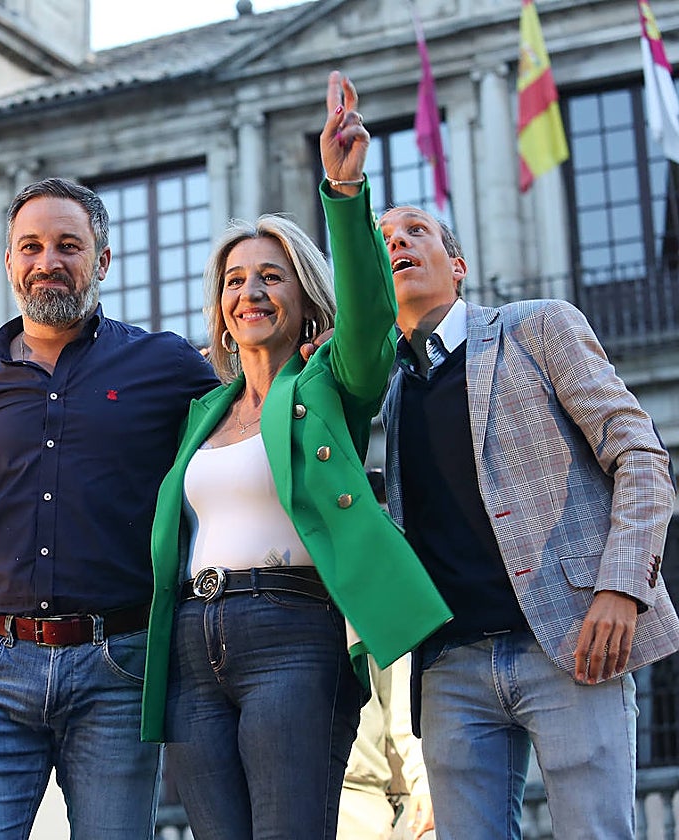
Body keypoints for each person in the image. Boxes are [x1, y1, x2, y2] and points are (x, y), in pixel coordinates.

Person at [142, 72, 451, 840]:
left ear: (305, 298)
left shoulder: (329, 386)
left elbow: (372, 321)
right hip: (190, 641)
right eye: (235, 281)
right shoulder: (203, 412)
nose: (250, 293)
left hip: (291, 633)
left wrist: (345, 193)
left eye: (270, 277)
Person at [0, 174, 221, 838]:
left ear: (101, 259)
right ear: (10, 261)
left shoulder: (169, 366)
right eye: (31, 246)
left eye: (68, 245)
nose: (48, 262)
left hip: (120, 666)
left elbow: (246, 430)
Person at [378, 203, 679, 839]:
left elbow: (642, 456)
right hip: (449, 666)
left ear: (457, 267)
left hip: (572, 643)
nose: (398, 241)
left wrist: (623, 587)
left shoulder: (536, 328)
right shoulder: (389, 387)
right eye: (383, 240)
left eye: (415, 231)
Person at [338, 474, 433, 840]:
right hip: (345, 790)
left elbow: (400, 694)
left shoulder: (378, 584)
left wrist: (423, 782)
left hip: (387, 795)